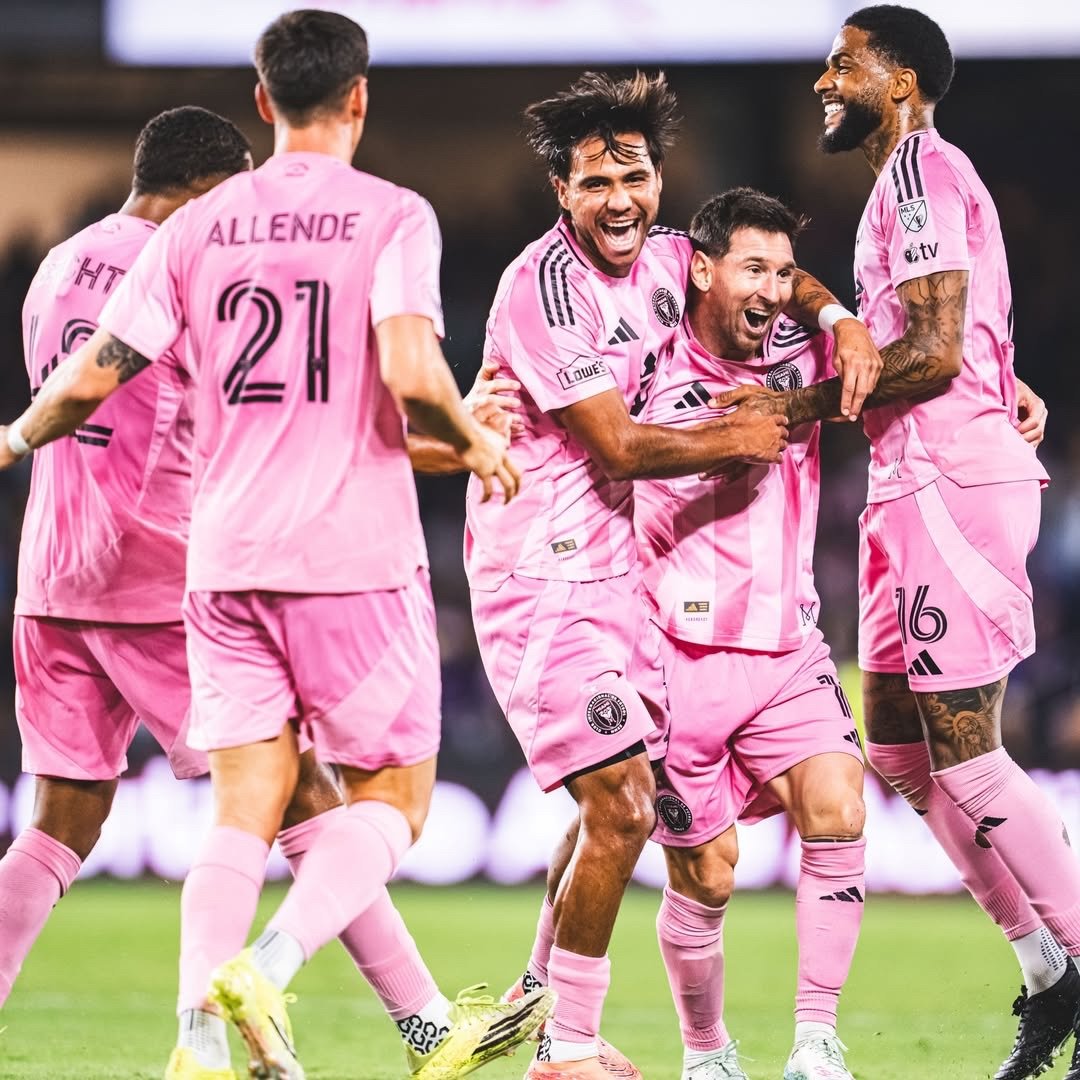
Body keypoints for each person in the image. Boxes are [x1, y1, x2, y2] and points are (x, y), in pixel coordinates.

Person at [0, 11, 545, 1080]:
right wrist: (466, 441)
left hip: (51, 579)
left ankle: (257, 1037)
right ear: (357, 98)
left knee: (60, 824)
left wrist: (13, 438)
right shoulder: (282, 230)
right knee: (309, 806)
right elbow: (304, 412)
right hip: (170, 573)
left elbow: (85, 394)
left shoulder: (56, 265)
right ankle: (404, 1027)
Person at [464, 70, 882, 1080]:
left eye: (636, 176)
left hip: (623, 587)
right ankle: (564, 1044)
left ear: (660, 183)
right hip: (542, 578)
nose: (621, 199)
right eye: (596, 181)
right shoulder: (544, 286)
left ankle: (541, 1006)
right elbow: (613, 446)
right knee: (622, 806)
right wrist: (735, 433)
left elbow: (771, 269)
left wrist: (836, 320)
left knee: (626, 801)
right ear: (561, 189)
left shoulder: (667, 264)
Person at [723, 7, 1076, 1079]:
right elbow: (960, 338)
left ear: (906, 81)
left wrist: (796, 410)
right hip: (907, 482)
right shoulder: (901, 186)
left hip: (949, 485)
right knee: (896, 744)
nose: (826, 79)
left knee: (966, 746)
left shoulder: (921, 172)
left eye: (848, 62)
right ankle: (1047, 970)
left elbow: (929, 348)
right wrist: (998, 379)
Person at [634, 188, 866, 1080]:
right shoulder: (645, 354)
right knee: (710, 876)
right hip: (674, 660)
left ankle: (815, 1040)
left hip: (786, 649)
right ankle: (706, 1054)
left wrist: (838, 314)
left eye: (780, 272)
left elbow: (909, 357)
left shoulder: (802, 353)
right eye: (751, 269)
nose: (769, 290)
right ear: (701, 269)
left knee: (840, 809)